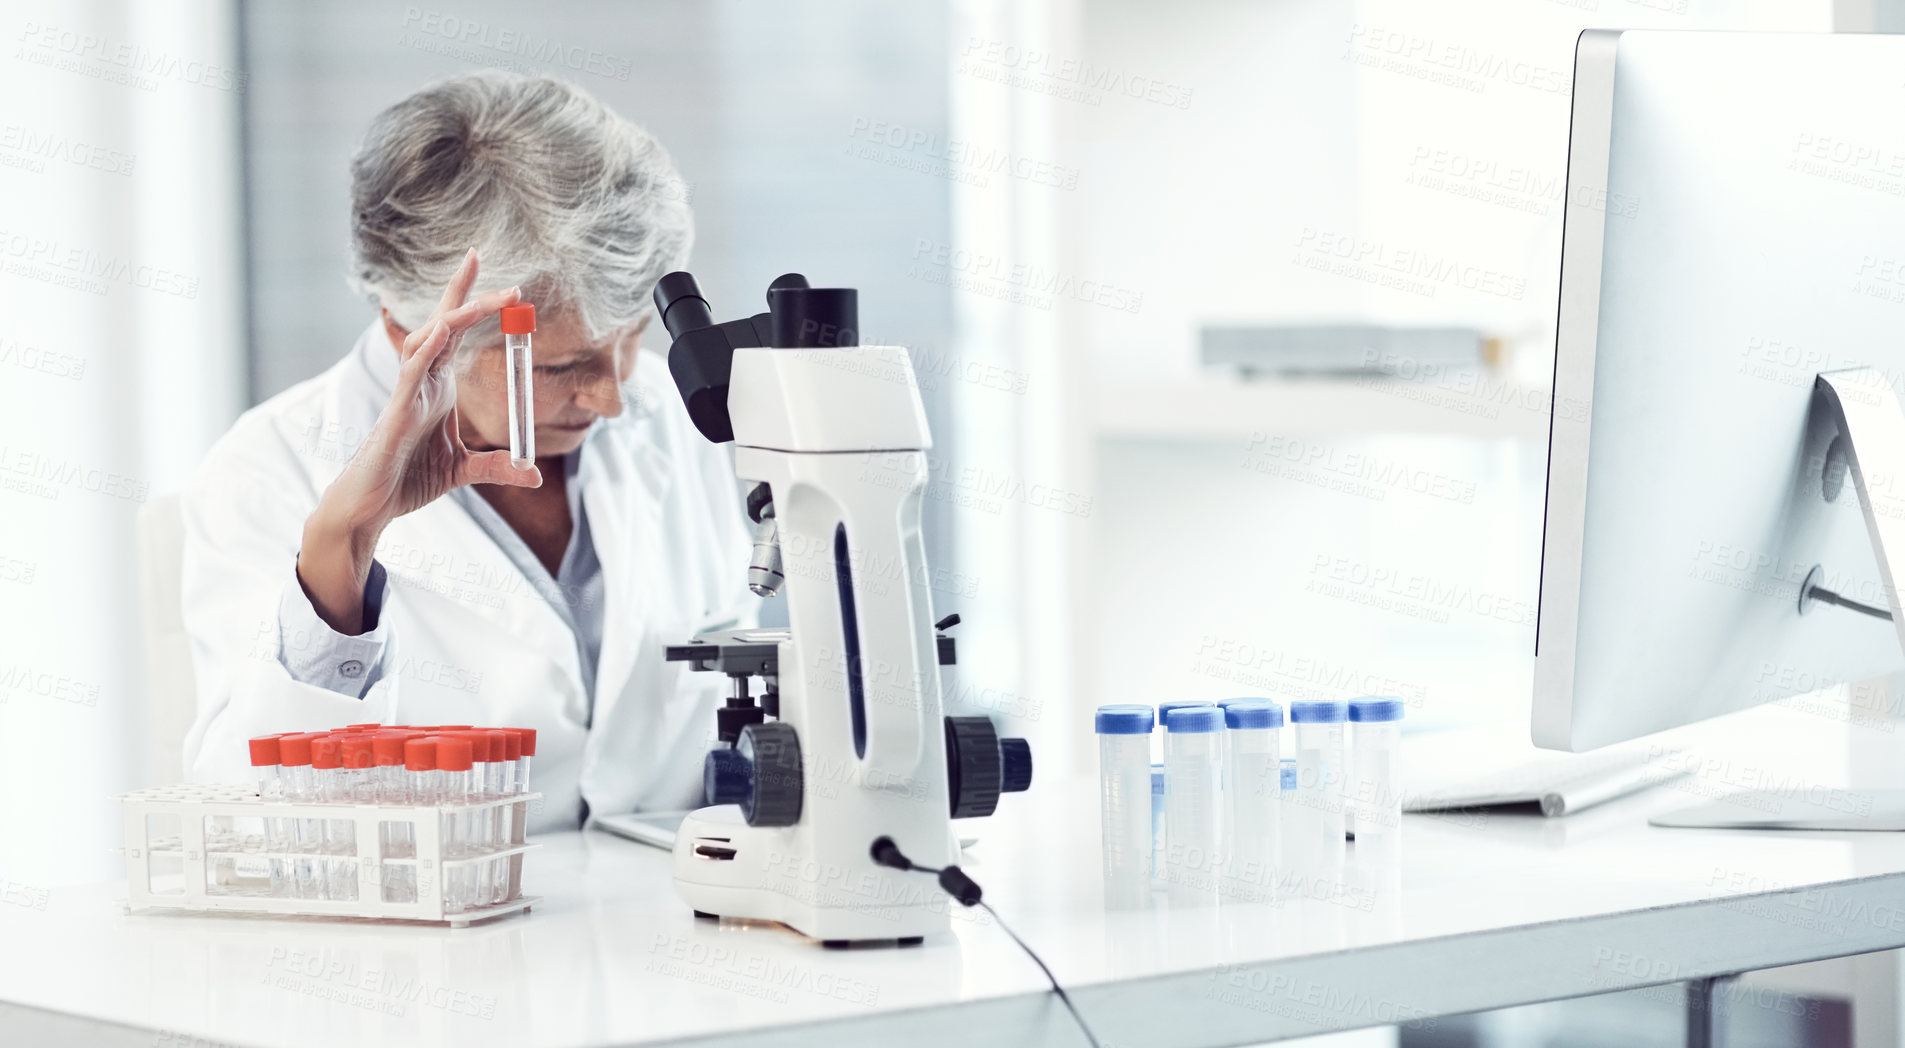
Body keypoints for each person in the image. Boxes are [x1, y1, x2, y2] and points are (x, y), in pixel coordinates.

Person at [180, 71, 754, 831]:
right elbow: (242, 814)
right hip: (442, 939)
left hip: (667, 915)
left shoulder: (667, 415)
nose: (612, 395)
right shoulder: (269, 469)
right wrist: (338, 559)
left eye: (630, 339)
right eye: (559, 367)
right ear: (407, 328)